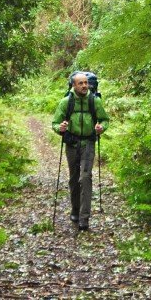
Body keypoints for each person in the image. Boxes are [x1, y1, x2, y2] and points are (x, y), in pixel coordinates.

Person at [53, 71, 108, 231]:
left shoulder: (94, 101)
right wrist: (60, 128)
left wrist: (101, 127)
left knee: (85, 178)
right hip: (72, 143)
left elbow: (104, 119)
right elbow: (55, 123)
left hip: (88, 143)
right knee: (74, 178)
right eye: (81, 83)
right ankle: (75, 209)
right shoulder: (66, 102)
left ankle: (84, 218)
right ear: (73, 85)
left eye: (86, 83)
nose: (85, 86)